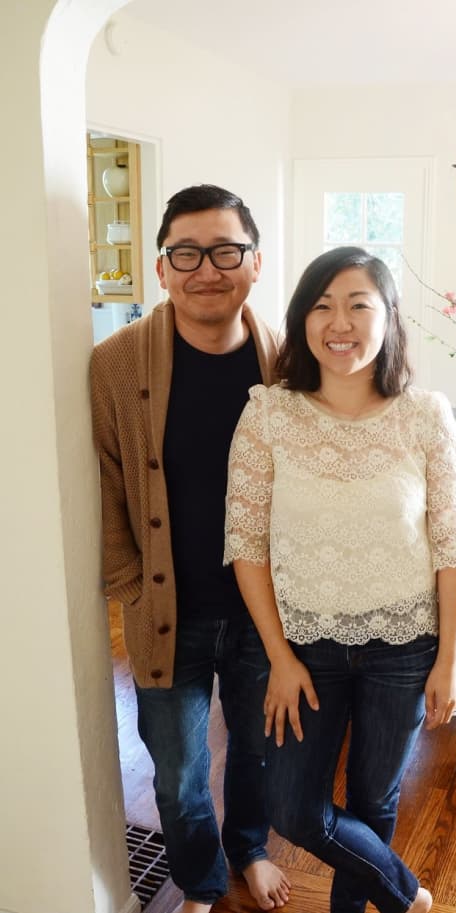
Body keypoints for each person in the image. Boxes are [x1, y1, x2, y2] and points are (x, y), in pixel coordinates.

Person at [223, 246, 456, 913]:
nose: (341, 321)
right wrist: (278, 656)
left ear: (389, 318)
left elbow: (453, 545)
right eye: (322, 304)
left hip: (406, 643)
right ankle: (404, 894)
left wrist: (449, 659)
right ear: (303, 319)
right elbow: (245, 544)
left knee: (374, 798)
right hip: (305, 645)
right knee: (292, 808)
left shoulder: (426, 416)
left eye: (359, 304)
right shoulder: (268, 414)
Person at [90, 184, 291, 913]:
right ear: (162, 268)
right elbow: (107, 481)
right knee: (175, 770)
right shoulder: (115, 365)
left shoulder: (288, 364)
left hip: (264, 607)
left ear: (256, 262)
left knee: (259, 746)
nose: (208, 269)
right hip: (167, 606)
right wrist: (130, 584)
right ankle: (201, 880)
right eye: (187, 253)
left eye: (226, 250)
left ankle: (251, 846)